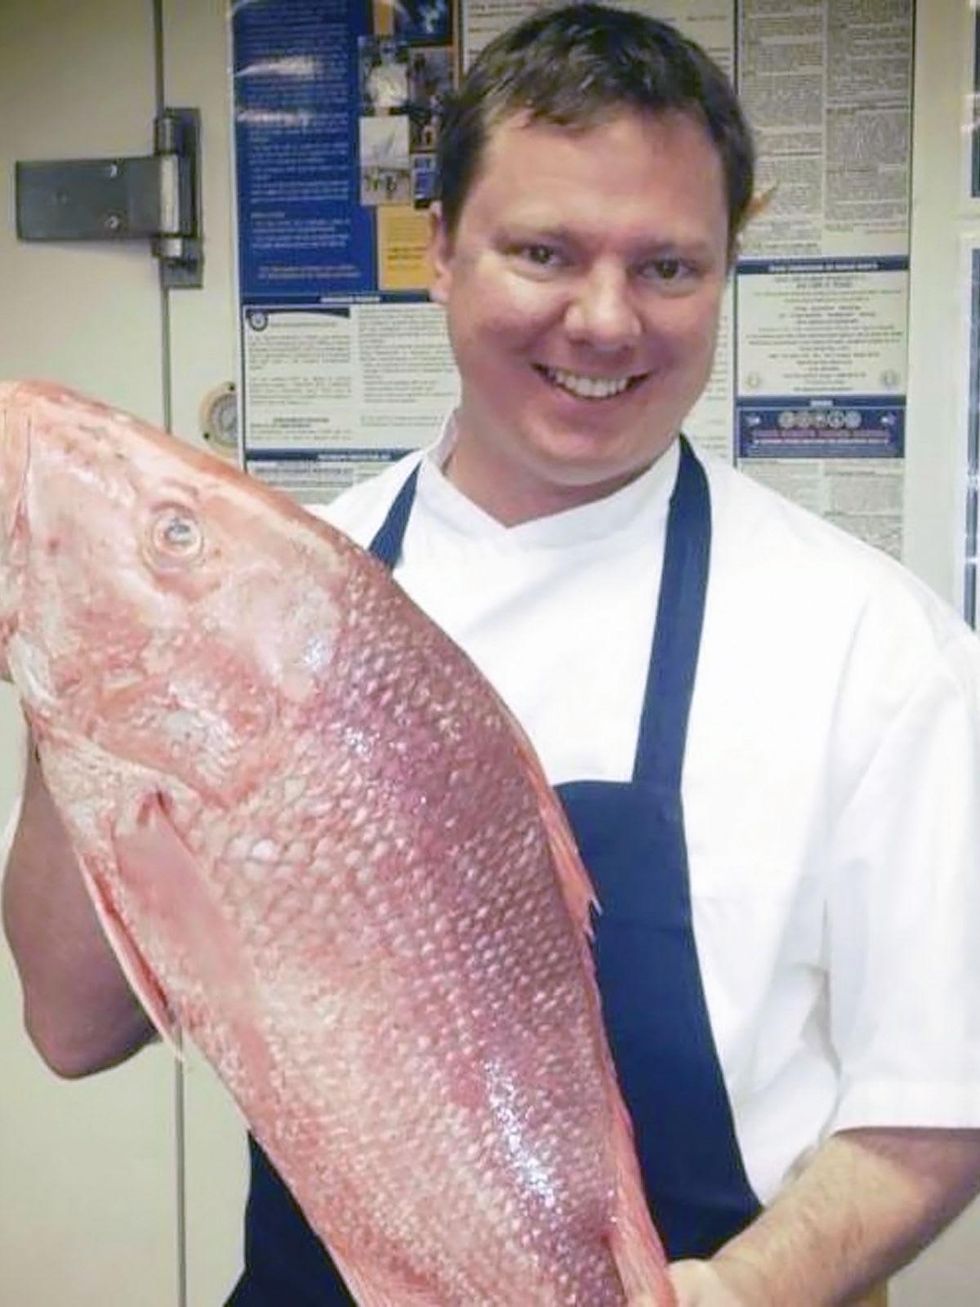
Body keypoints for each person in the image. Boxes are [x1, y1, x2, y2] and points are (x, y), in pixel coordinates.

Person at [4, 5, 980, 1304]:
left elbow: (940, 1100)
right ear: (441, 253)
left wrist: (742, 1295)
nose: (603, 319)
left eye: (670, 268)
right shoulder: (281, 584)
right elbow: (76, 1028)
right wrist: (87, 666)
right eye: (542, 251)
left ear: (725, 271)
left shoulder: (873, 644)